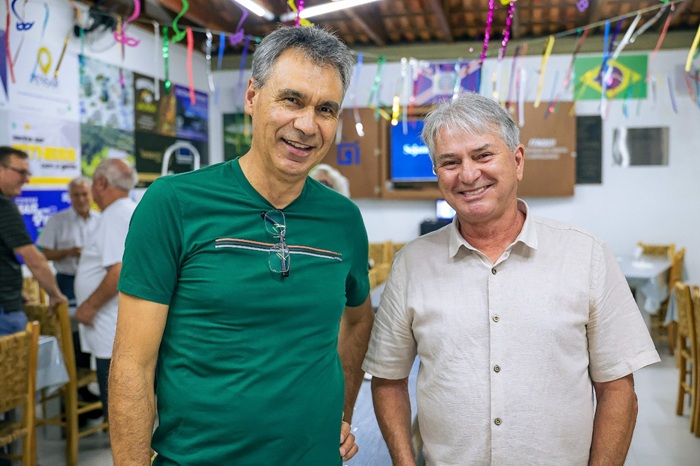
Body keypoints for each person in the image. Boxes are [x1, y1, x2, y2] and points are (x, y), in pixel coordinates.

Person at [110, 26, 374, 466]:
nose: (307, 125)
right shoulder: (173, 203)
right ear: (252, 96)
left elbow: (359, 320)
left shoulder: (343, 219)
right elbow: (132, 365)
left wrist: (342, 413)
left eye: (326, 109)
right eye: (292, 100)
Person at [362, 93, 661, 466]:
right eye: (450, 162)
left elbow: (617, 388)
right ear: (437, 172)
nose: (468, 175)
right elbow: (388, 381)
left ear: (517, 160)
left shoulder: (586, 255)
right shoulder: (411, 265)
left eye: (483, 155)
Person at [74, 158, 137, 421]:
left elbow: (119, 270)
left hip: (111, 330)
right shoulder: (127, 210)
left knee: (119, 415)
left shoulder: (114, 216)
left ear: (101, 182)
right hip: (116, 328)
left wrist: (89, 307)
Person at [0, 146, 67, 335]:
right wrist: (55, 295)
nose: (27, 179)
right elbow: (32, 258)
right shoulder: (3, 206)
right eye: (21, 172)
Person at [37, 176, 101, 307]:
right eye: (76, 195)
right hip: (67, 281)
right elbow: (46, 254)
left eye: (84, 194)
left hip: (97, 278)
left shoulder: (101, 219)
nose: (81, 199)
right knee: (68, 317)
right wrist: (69, 252)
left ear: (92, 194)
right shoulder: (56, 221)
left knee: (97, 315)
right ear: (70, 196)